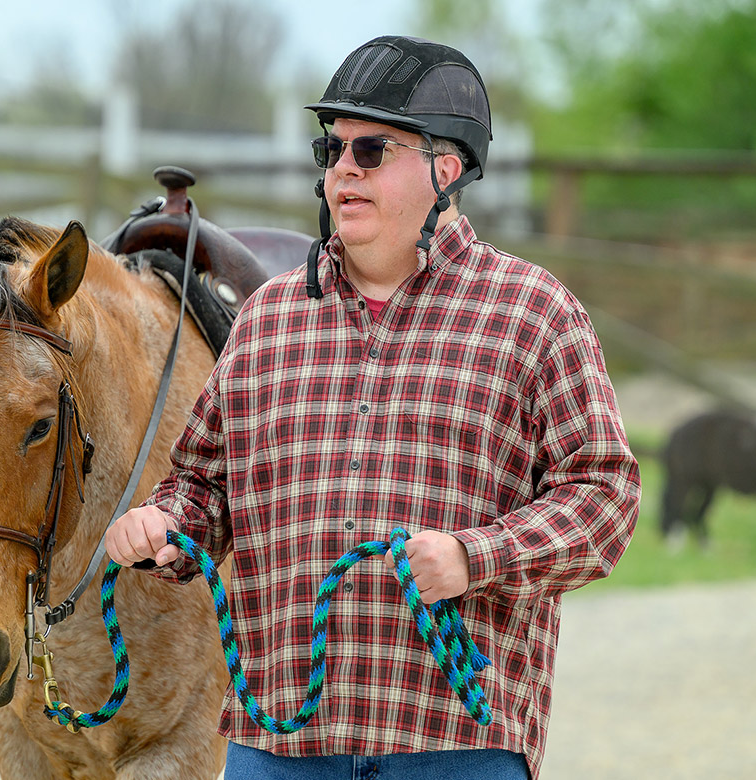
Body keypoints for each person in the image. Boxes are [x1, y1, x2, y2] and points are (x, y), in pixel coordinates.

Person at [106, 35, 640, 780]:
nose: (343, 170)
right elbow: (203, 488)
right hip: (280, 745)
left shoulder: (535, 315)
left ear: (444, 170)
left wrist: (472, 557)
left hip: (456, 745)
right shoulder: (267, 320)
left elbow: (605, 501)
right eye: (332, 150)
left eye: (372, 150)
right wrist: (165, 526)